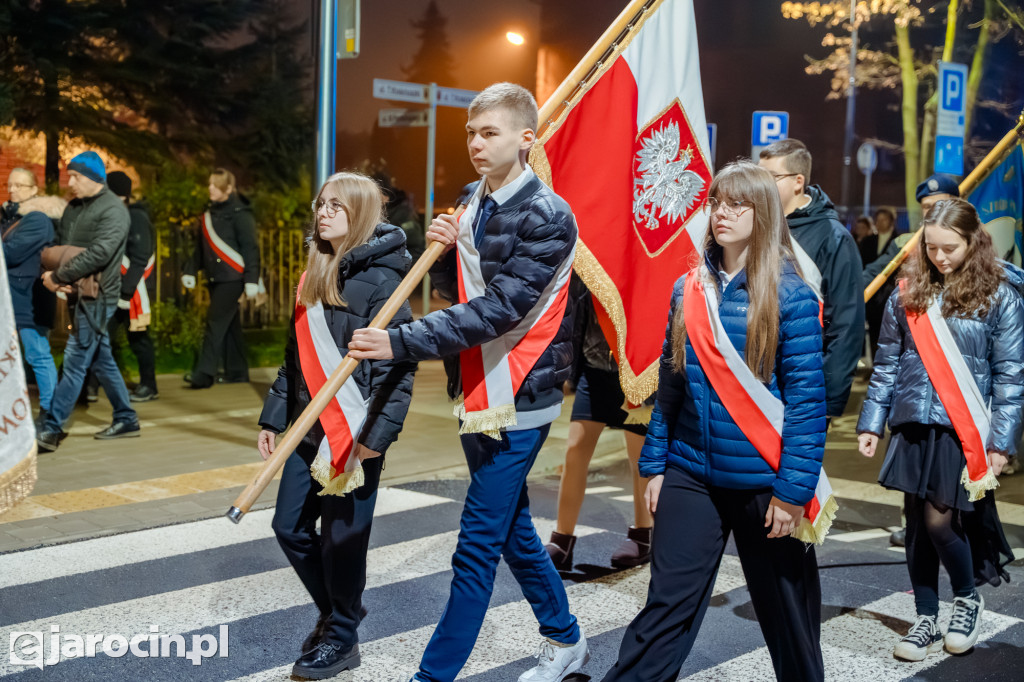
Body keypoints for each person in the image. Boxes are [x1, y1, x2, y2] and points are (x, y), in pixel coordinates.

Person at [347, 82, 588, 682]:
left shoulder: (551, 216)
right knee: (508, 530)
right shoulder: (468, 200)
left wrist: (400, 341)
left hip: (521, 391)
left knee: (476, 543)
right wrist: (443, 247)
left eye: (491, 133)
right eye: (471, 134)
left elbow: (499, 311)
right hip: (477, 386)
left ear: (526, 138)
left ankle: (434, 675)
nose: (477, 145)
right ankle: (566, 639)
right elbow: (462, 295)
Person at [602, 161, 828, 682]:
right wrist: (655, 463)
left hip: (765, 482)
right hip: (691, 472)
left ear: (764, 212)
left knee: (788, 616)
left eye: (736, 204)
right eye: (716, 203)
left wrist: (793, 493)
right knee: (666, 607)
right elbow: (672, 384)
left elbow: (808, 405)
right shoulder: (690, 288)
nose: (721, 214)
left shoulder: (790, 294)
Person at [258, 171, 417, 679]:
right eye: (321, 204)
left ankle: (342, 637)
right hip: (308, 427)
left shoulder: (387, 278)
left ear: (361, 215)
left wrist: (375, 439)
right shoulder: (314, 270)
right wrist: (273, 416)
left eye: (336, 207)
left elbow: (399, 368)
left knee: (341, 540)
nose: (323, 213)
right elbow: (294, 357)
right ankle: (338, 614)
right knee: (289, 527)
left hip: (354, 432)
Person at [857, 198, 1022, 661]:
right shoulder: (908, 292)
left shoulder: (1000, 296)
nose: (940, 257)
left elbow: (1011, 376)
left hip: (961, 428)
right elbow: (886, 365)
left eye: (950, 248)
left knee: (940, 521)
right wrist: (872, 422)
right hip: (913, 424)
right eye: (931, 248)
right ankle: (926, 616)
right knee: (916, 528)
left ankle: (967, 598)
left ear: (974, 242)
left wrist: (1002, 444)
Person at [545, 274, 652, 570]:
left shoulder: (637, 258)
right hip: (594, 370)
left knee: (640, 458)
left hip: (634, 371)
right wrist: (568, 369)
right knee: (575, 450)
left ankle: (643, 536)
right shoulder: (590, 259)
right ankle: (561, 541)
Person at [36, 152, 140, 451]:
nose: (70, 183)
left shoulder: (114, 210)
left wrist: (58, 277)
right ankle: (126, 416)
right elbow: (62, 245)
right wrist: (62, 278)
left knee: (75, 359)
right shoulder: (75, 207)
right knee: (101, 358)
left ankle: (52, 428)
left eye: (76, 177)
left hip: (98, 296)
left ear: (94, 178)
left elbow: (100, 253)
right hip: (77, 292)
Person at [758, 139, 864, 421]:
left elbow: (845, 324)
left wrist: (827, 398)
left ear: (798, 181)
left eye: (771, 177)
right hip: (751, 379)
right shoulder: (753, 225)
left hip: (802, 387)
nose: (760, 185)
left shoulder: (833, 237)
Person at [182, 168, 259, 388]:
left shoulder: (241, 214)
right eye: (210, 184)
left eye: (215, 185)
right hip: (216, 278)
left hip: (233, 278)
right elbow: (200, 248)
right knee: (230, 325)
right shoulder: (208, 214)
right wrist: (190, 270)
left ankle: (204, 374)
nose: (210, 189)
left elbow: (250, 249)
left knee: (214, 322)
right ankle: (237, 371)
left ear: (227, 189)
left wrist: (252, 279)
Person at [86, 171, 159, 402]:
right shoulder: (111, 215)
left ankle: (149, 385)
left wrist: (127, 291)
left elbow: (139, 258)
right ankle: (91, 386)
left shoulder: (135, 218)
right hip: (111, 287)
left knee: (138, 338)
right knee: (100, 335)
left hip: (133, 291)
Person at [2, 169, 62, 422]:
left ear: (34, 190)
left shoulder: (38, 218)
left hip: (31, 299)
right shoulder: (9, 217)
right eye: (9, 184)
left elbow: (10, 253)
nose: (13, 189)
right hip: (10, 299)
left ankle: (51, 412)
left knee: (37, 354)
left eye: (20, 185)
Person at [863, 206, 898, 356]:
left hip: (888, 293)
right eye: (878, 220)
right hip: (870, 293)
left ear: (891, 221)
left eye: (884, 220)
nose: (881, 223)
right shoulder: (868, 241)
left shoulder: (899, 241)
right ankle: (873, 365)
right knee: (873, 330)